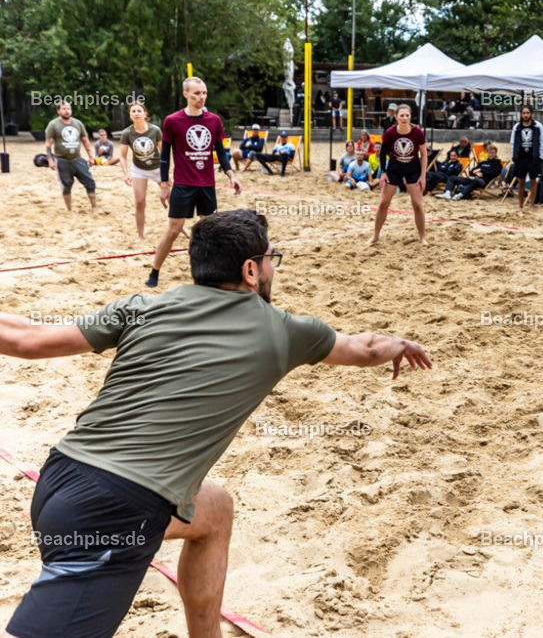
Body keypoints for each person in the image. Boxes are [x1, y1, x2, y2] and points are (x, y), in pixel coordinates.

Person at [0, 210, 431, 638]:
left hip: (59, 478)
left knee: (213, 509)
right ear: (249, 270)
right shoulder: (283, 331)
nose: (271, 268)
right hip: (114, 511)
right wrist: (402, 344)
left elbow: (26, 339)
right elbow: (364, 349)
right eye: (270, 259)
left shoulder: (141, 308)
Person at [147, 77, 241, 289]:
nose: (201, 97)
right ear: (186, 95)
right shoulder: (172, 120)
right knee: (173, 230)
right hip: (183, 185)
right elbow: (164, 156)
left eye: (204, 93)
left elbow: (221, 152)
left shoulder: (214, 120)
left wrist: (231, 175)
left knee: (208, 232)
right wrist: (164, 185)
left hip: (207, 185)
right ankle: (155, 271)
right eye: (197, 93)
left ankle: (207, 277)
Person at [368, 104, 428, 246]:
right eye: (401, 115)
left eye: (407, 115)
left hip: (413, 169)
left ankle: (422, 238)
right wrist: (383, 172)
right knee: (383, 203)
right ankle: (375, 236)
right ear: (396, 117)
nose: (404, 118)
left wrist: (423, 176)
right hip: (394, 168)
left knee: (417, 204)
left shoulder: (418, 132)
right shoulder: (389, 132)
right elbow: (382, 153)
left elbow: (424, 155)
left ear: (410, 117)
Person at [118, 102, 163, 240]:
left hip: (158, 168)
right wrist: (126, 173)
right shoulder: (127, 133)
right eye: (133, 111)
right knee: (139, 203)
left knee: (171, 198)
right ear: (130, 115)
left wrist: (168, 172)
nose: (136, 113)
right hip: (139, 169)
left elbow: (164, 152)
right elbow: (122, 156)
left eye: (139, 111)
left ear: (145, 114)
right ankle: (140, 235)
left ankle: (181, 228)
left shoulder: (155, 130)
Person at [44, 101, 97, 212]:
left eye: (68, 108)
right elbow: (49, 143)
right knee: (66, 185)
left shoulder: (78, 123)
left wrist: (91, 156)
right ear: (58, 111)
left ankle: (95, 207)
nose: (67, 111)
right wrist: (50, 159)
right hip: (62, 160)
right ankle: (69, 210)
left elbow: (85, 140)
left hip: (78, 159)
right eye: (64, 109)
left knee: (90, 183)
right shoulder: (53, 125)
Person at [510, 105, 543, 209]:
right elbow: (512, 142)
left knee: (533, 180)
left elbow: (542, 142)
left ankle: (532, 204)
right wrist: (514, 155)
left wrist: (541, 156)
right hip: (520, 157)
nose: (525, 115)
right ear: (521, 114)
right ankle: (520, 204)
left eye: (527, 113)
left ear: (531, 114)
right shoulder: (517, 127)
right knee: (520, 181)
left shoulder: (538, 126)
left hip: (533, 157)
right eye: (523, 113)